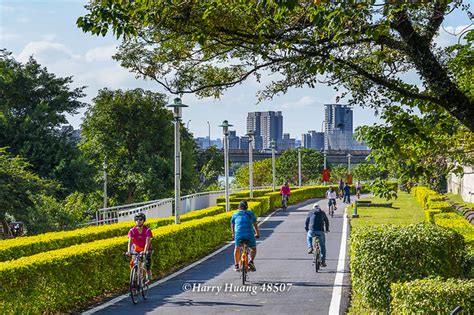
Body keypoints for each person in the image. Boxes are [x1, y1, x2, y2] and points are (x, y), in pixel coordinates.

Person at [231, 200, 260, 272]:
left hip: (239, 235)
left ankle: (236, 265)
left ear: (239, 207)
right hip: (249, 235)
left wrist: (233, 234)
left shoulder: (235, 214)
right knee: (253, 249)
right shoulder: (250, 213)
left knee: (237, 248)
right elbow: (255, 224)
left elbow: (232, 224)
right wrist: (257, 233)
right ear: (246, 207)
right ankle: (251, 262)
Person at [126, 212, 153, 283]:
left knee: (147, 262)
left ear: (143, 220)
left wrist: (144, 251)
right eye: (137, 219)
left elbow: (147, 242)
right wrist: (128, 251)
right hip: (136, 249)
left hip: (146, 249)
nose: (138, 221)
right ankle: (134, 278)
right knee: (134, 263)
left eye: (140, 219)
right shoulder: (132, 230)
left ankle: (147, 272)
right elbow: (130, 242)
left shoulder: (147, 230)